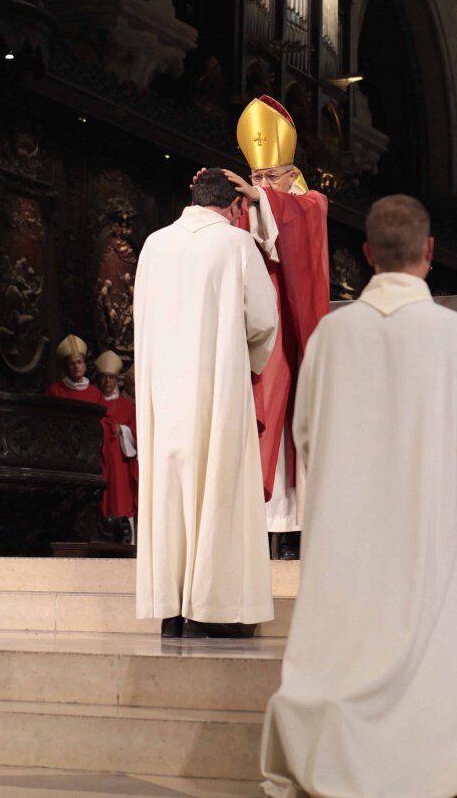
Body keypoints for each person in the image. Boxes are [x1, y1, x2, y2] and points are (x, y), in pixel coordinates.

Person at [260, 194, 457, 798]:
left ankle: (328, 763)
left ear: (368, 254)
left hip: (345, 542)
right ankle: (415, 773)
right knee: (432, 657)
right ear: (430, 253)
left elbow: (307, 436)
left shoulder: (331, 337)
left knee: (340, 649)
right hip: (426, 539)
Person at [134, 167, 279, 637]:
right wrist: (249, 364)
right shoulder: (236, 245)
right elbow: (262, 319)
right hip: (216, 384)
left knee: (170, 492)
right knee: (218, 487)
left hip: (163, 393)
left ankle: (170, 607)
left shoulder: (154, 244)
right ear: (236, 207)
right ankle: (215, 610)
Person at [228, 95, 330, 559]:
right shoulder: (250, 204)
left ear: (291, 174)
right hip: (258, 340)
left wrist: (260, 200)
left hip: (296, 336)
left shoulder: (310, 203)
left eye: (271, 177)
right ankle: (262, 532)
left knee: (294, 430)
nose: (261, 185)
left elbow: (292, 227)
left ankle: (297, 533)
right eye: (255, 177)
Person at [95, 349, 138, 544]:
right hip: (100, 463)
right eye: (104, 377)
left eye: (111, 378)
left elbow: (137, 434)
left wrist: (122, 429)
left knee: (121, 501)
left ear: (116, 380)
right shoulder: (94, 401)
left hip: (121, 465)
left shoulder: (127, 406)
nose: (107, 382)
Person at [45, 335, 105, 406]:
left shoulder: (96, 394)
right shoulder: (54, 391)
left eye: (79, 362)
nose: (76, 366)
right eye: (72, 363)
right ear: (67, 367)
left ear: (84, 365)